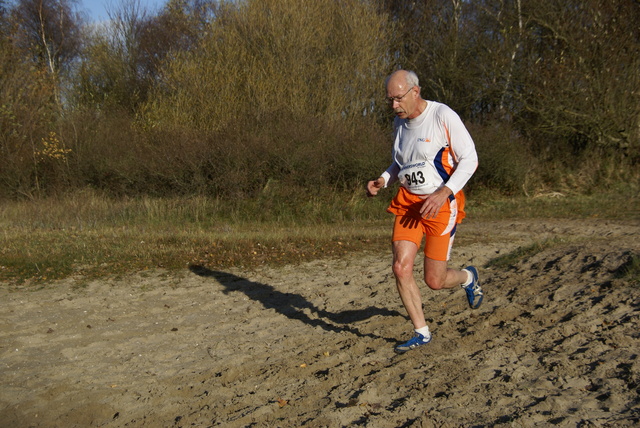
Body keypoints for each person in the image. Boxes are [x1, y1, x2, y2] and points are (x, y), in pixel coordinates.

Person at [366, 70, 483, 354]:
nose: (393, 106)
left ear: (415, 92)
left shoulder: (442, 116)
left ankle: (468, 277)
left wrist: (445, 192)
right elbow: (402, 164)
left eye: (397, 99)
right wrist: (384, 179)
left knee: (435, 280)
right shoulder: (399, 124)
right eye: (389, 100)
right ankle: (421, 332)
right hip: (408, 203)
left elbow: (470, 159)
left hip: (440, 205)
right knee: (400, 267)